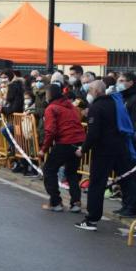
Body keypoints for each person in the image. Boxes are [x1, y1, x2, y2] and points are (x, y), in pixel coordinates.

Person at [75, 80, 136, 231]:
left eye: (90, 90)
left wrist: (83, 149)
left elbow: (93, 133)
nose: (89, 93)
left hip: (103, 150)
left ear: (96, 91)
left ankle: (92, 218)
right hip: (120, 147)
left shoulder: (96, 107)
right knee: (126, 179)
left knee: (97, 184)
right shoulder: (114, 102)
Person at [38, 83, 86, 212]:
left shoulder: (51, 108)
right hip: (79, 142)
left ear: (50, 95)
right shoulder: (71, 107)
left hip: (65, 141)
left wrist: (43, 149)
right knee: (72, 172)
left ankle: (55, 202)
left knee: (49, 170)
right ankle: (76, 202)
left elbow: (50, 131)